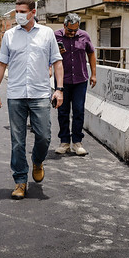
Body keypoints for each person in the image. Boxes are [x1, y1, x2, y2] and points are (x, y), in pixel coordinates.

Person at [0, 0, 64, 200]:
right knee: (17, 141)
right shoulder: (9, 36)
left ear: (33, 12)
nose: (19, 15)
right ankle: (20, 181)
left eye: (23, 12)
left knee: (44, 136)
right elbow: (1, 63)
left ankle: (38, 161)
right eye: (17, 11)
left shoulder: (47, 34)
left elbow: (57, 62)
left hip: (40, 94)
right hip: (15, 94)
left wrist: (59, 89)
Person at [54, 13, 97, 156]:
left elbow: (91, 54)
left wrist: (94, 74)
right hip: (62, 81)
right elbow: (48, 55)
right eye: (69, 30)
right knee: (63, 111)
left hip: (80, 80)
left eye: (75, 31)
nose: (72, 33)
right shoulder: (56, 36)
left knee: (78, 111)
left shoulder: (84, 36)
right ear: (64, 25)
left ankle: (77, 142)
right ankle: (64, 142)